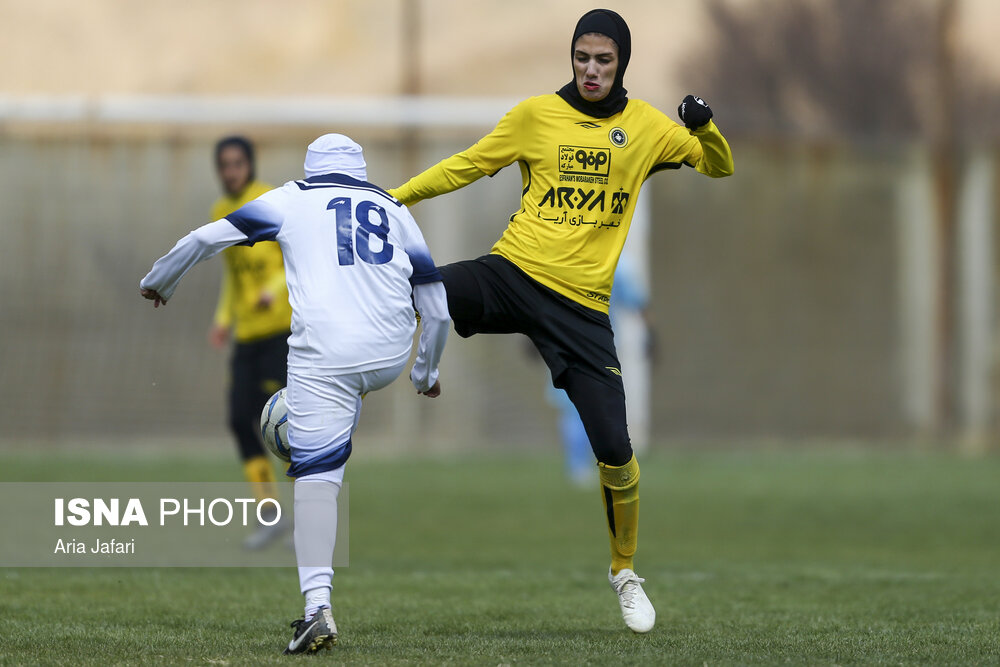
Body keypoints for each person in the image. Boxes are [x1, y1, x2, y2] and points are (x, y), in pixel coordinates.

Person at [387, 8, 733, 634]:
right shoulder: (534, 116)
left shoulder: (647, 129)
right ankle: (413, 368)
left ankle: (624, 573)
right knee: (415, 285)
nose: (592, 69)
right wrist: (392, 199)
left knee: (618, 455)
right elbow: (465, 165)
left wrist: (705, 128)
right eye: (582, 57)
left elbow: (720, 165)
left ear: (621, 62)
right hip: (512, 275)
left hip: (582, 312)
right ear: (571, 57)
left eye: (604, 59)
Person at [140, 134, 449, 654]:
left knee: (318, 479)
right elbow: (436, 306)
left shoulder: (293, 197)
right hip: (391, 352)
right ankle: (330, 425)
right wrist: (424, 373)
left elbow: (203, 239)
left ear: (311, 170)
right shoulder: (394, 207)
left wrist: (159, 280)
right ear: (360, 171)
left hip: (324, 355)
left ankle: (316, 607)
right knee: (342, 402)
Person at [209, 136, 293, 550]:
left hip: (283, 332)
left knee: (296, 426)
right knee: (240, 419)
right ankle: (270, 516)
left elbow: (292, 262)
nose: (231, 171)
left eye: (238, 162)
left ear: (251, 164)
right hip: (247, 338)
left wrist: (273, 291)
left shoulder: (271, 203)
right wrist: (223, 319)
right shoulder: (221, 213)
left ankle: (313, 517)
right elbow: (233, 277)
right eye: (224, 164)